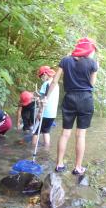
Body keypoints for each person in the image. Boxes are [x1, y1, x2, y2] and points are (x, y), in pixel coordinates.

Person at [45, 37, 99, 175]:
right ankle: (78, 167)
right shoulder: (93, 64)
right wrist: (96, 66)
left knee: (65, 133)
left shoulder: (65, 60)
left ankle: (59, 164)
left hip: (69, 98)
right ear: (89, 50)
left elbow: (55, 81)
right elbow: (92, 84)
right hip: (85, 99)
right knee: (80, 135)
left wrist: (46, 97)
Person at [32, 66, 59, 148]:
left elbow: (42, 100)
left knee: (35, 132)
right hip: (52, 114)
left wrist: (39, 112)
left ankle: (32, 150)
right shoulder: (56, 84)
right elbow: (48, 97)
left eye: (41, 76)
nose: (41, 78)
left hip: (45, 112)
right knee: (46, 132)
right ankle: (46, 150)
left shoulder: (45, 84)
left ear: (45, 74)